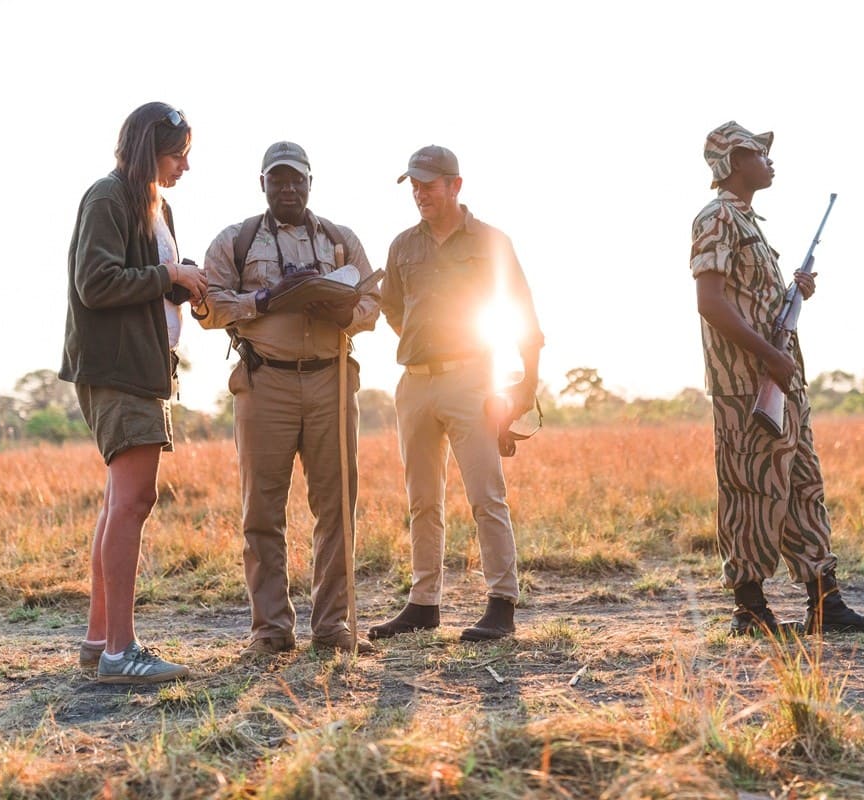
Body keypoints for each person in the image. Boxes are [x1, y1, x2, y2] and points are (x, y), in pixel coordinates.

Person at [691, 121, 864, 637]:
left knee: (804, 485)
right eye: (760, 153)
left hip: (780, 380)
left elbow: (750, 303)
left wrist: (792, 294)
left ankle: (825, 601)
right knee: (751, 490)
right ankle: (749, 608)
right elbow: (710, 303)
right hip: (744, 386)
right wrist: (769, 358)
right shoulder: (715, 219)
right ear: (735, 161)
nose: (770, 161)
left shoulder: (749, 222)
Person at [197, 141, 380, 658]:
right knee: (262, 511)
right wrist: (265, 298)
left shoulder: (341, 240)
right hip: (265, 382)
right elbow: (208, 306)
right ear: (262, 185)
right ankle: (271, 630)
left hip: (331, 378)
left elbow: (373, 301)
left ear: (310, 183)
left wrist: (343, 311)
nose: (288, 189)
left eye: (296, 180)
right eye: (277, 181)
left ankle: (333, 626)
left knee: (337, 507)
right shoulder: (236, 240)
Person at [370, 145, 544, 643]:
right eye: (414, 185)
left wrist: (524, 388)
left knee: (486, 494)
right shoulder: (403, 246)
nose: (421, 193)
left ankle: (501, 603)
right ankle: (424, 604)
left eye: (429, 184)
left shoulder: (491, 241)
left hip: (472, 378)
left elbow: (523, 315)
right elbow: (394, 310)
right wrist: (424, 347)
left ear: (456, 185)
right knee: (422, 498)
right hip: (415, 382)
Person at [61, 102, 207, 682]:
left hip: (145, 367)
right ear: (150, 148)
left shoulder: (157, 206)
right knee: (133, 503)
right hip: (118, 369)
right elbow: (95, 283)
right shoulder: (108, 197)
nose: (185, 167)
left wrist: (184, 282)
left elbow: (144, 284)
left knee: (117, 504)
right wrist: (169, 278)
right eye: (179, 154)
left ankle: (101, 643)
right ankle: (123, 652)